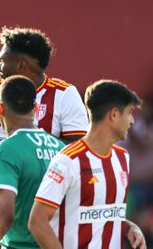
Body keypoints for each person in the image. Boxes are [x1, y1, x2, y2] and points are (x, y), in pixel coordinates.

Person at [0, 27, 89, 240]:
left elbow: (77, 152)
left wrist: (28, 159)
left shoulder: (64, 95)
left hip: (44, 206)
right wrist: (9, 165)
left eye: (2, 60)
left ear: (21, 65)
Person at [30, 80, 146, 249]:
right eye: (129, 113)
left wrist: (128, 227)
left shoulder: (122, 157)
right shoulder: (68, 160)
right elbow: (37, 221)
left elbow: (102, 211)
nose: (132, 121)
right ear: (113, 115)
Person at [0, 75, 65, 248]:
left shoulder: (7, 149)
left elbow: (3, 214)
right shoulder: (61, 149)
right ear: (36, 109)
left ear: (0, 109)